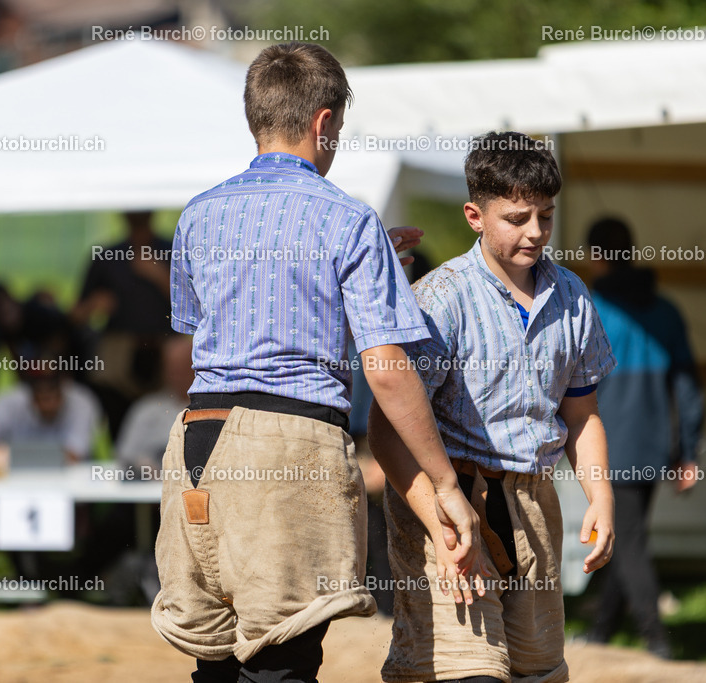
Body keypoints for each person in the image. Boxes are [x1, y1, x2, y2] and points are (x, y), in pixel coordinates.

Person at [151, 42, 482, 682]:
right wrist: (444, 483)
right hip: (286, 448)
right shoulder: (347, 219)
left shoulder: (199, 214)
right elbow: (386, 368)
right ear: (323, 122)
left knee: (214, 661)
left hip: (195, 444)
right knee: (284, 658)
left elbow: (201, 333)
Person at [371, 131, 617, 683]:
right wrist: (443, 527)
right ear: (475, 216)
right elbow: (388, 433)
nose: (536, 231)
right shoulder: (439, 299)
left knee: (536, 673)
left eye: (547, 216)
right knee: (464, 672)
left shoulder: (573, 296)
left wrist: (600, 495)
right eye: (518, 217)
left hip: (532, 502)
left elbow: (582, 414)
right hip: (444, 499)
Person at [582, 217, 705, 659]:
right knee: (627, 534)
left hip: (607, 445)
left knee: (627, 540)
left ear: (596, 258)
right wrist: (688, 450)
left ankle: (657, 641)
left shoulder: (589, 309)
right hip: (654, 446)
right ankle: (601, 631)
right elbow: (689, 386)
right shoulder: (666, 311)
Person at [72, 211, 172, 435]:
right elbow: (75, 316)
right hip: (119, 352)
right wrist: (93, 305)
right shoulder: (107, 256)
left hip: (164, 348)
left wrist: (159, 275)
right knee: (115, 411)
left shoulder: (173, 250)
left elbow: (197, 305)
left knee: (168, 416)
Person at [0, 369, 101, 464]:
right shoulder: (9, 402)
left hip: (69, 485)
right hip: (13, 483)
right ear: (29, 394)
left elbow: (77, 455)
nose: (48, 404)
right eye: (42, 397)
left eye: (53, 396)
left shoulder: (82, 401)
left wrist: (12, 457)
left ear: (64, 389)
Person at [115, 334, 194, 474]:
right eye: (172, 370)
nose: (177, 377)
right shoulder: (146, 409)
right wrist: (143, 466)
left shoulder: (214, 409)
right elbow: (125, 456)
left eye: (183, 369)